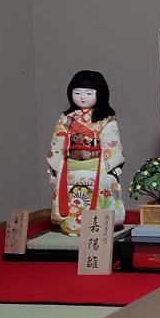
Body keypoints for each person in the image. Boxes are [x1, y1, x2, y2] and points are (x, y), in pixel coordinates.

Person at [47, 71, 124, 237]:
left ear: (99, 94)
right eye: (77, 93)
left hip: (97, 167)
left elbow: (111, 142)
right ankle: (72, 225)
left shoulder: (105, 119)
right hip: (71, 167)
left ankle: (98, 228)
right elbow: (58, 143)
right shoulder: (66, 119)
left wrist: (113, 166)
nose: (82, 97)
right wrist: (54, 168)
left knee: (99, 197)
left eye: (88, 93)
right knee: (72, 197)